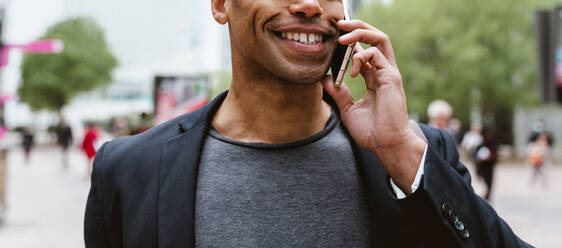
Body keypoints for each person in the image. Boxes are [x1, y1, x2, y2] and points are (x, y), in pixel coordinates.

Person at [85, 1, 530, 247]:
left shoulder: (414, 156)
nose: (309, 5)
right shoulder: (129, 171)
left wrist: (400, 151)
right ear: (221, 5)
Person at [473, 126, 498, 201]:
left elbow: (495, 156)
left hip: (489, 166)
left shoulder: (493, 145)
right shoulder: (481, 145)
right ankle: (486, 196)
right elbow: (476, 158)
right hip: (483, 166)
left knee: (490, 182)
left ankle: (487, 196)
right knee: (487, 181)